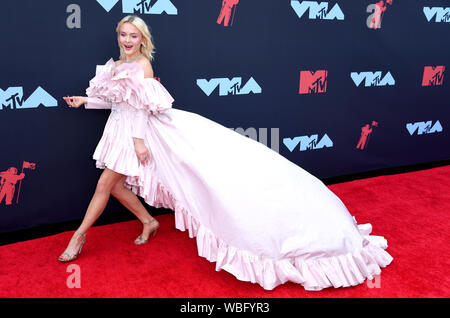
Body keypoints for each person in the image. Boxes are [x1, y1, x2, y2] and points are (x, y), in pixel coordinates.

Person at [60, 15, 393, 291]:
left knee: (113, 184)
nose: (128, 39)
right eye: (123, 34)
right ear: (118, 36)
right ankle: (148, 221)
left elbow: (144, 106)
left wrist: (138, 140)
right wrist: (86, 101)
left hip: (143, 135)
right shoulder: (117, 65)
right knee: (114, 185)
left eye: (134, 35)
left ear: (143, 39)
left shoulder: (142, 66)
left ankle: (78, 237)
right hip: (120, 133)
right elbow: (118, 100)